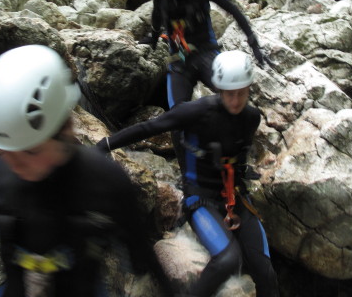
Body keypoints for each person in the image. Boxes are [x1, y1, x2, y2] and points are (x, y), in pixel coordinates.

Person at [0, 45, 176, 297]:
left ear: (65, 128)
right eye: (5, 151)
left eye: (31, 151)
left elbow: (143, 258)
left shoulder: (107, 182)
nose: (15, 165)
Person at [96, 50, 280, 297]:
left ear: (249, 89)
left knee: (265, 272)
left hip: (235, 197)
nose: (236, 101)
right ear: (219, 90)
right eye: (229, 94)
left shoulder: (251, 117)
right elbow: (150, 127)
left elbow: (239, 161)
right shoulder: (197, 112)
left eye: (242, 93)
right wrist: (105, 144)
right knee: (227, 261)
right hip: (200, 198)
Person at [141, 0, 268, 110]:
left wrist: (253, 43)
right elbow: (156, 20)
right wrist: (154, 39)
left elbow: (233, 11)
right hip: (180, 58)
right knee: (177, 115)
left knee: (232, 96)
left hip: (206, 52)